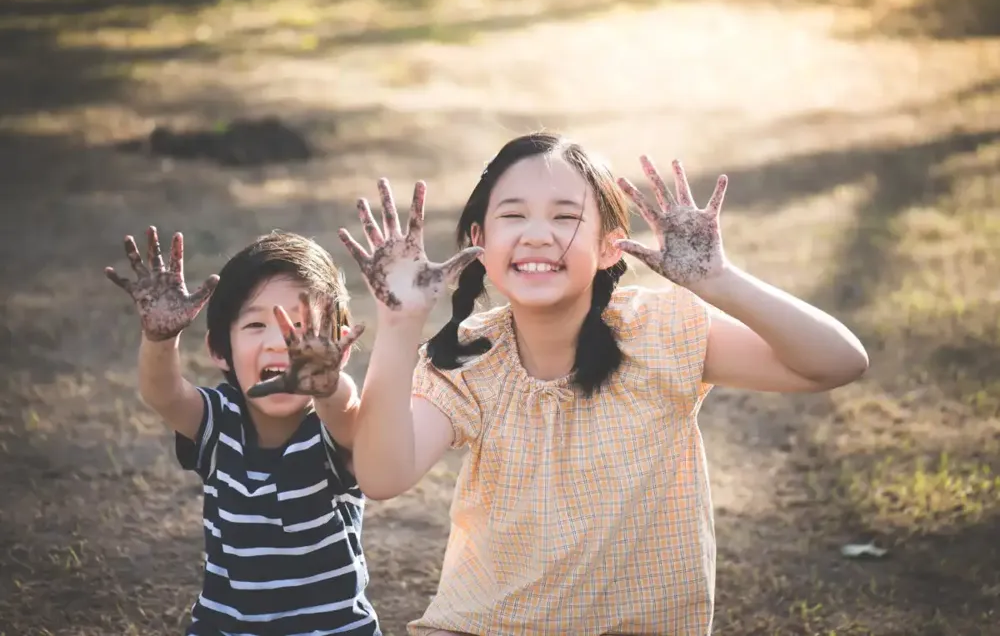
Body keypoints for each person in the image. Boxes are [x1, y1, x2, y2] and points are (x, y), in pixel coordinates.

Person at [338, 132, 870, 636]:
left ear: (611, 247)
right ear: (479, 241)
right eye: (513, 215)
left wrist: (719, 281)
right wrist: (399, 324)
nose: (538, 234)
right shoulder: (470, 359)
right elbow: (383, 477)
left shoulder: (659, 333)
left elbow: (838, 363)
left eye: (565, 216)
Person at [105, 228, 380, 636]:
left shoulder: (330, 430)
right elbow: (163, 395)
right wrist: (160, 338)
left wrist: (330, 384)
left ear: (338, 345)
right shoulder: (220, 421)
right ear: (220, 350)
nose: (280, 342)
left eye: (302, 327)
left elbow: (348, 413)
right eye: (255, 325)